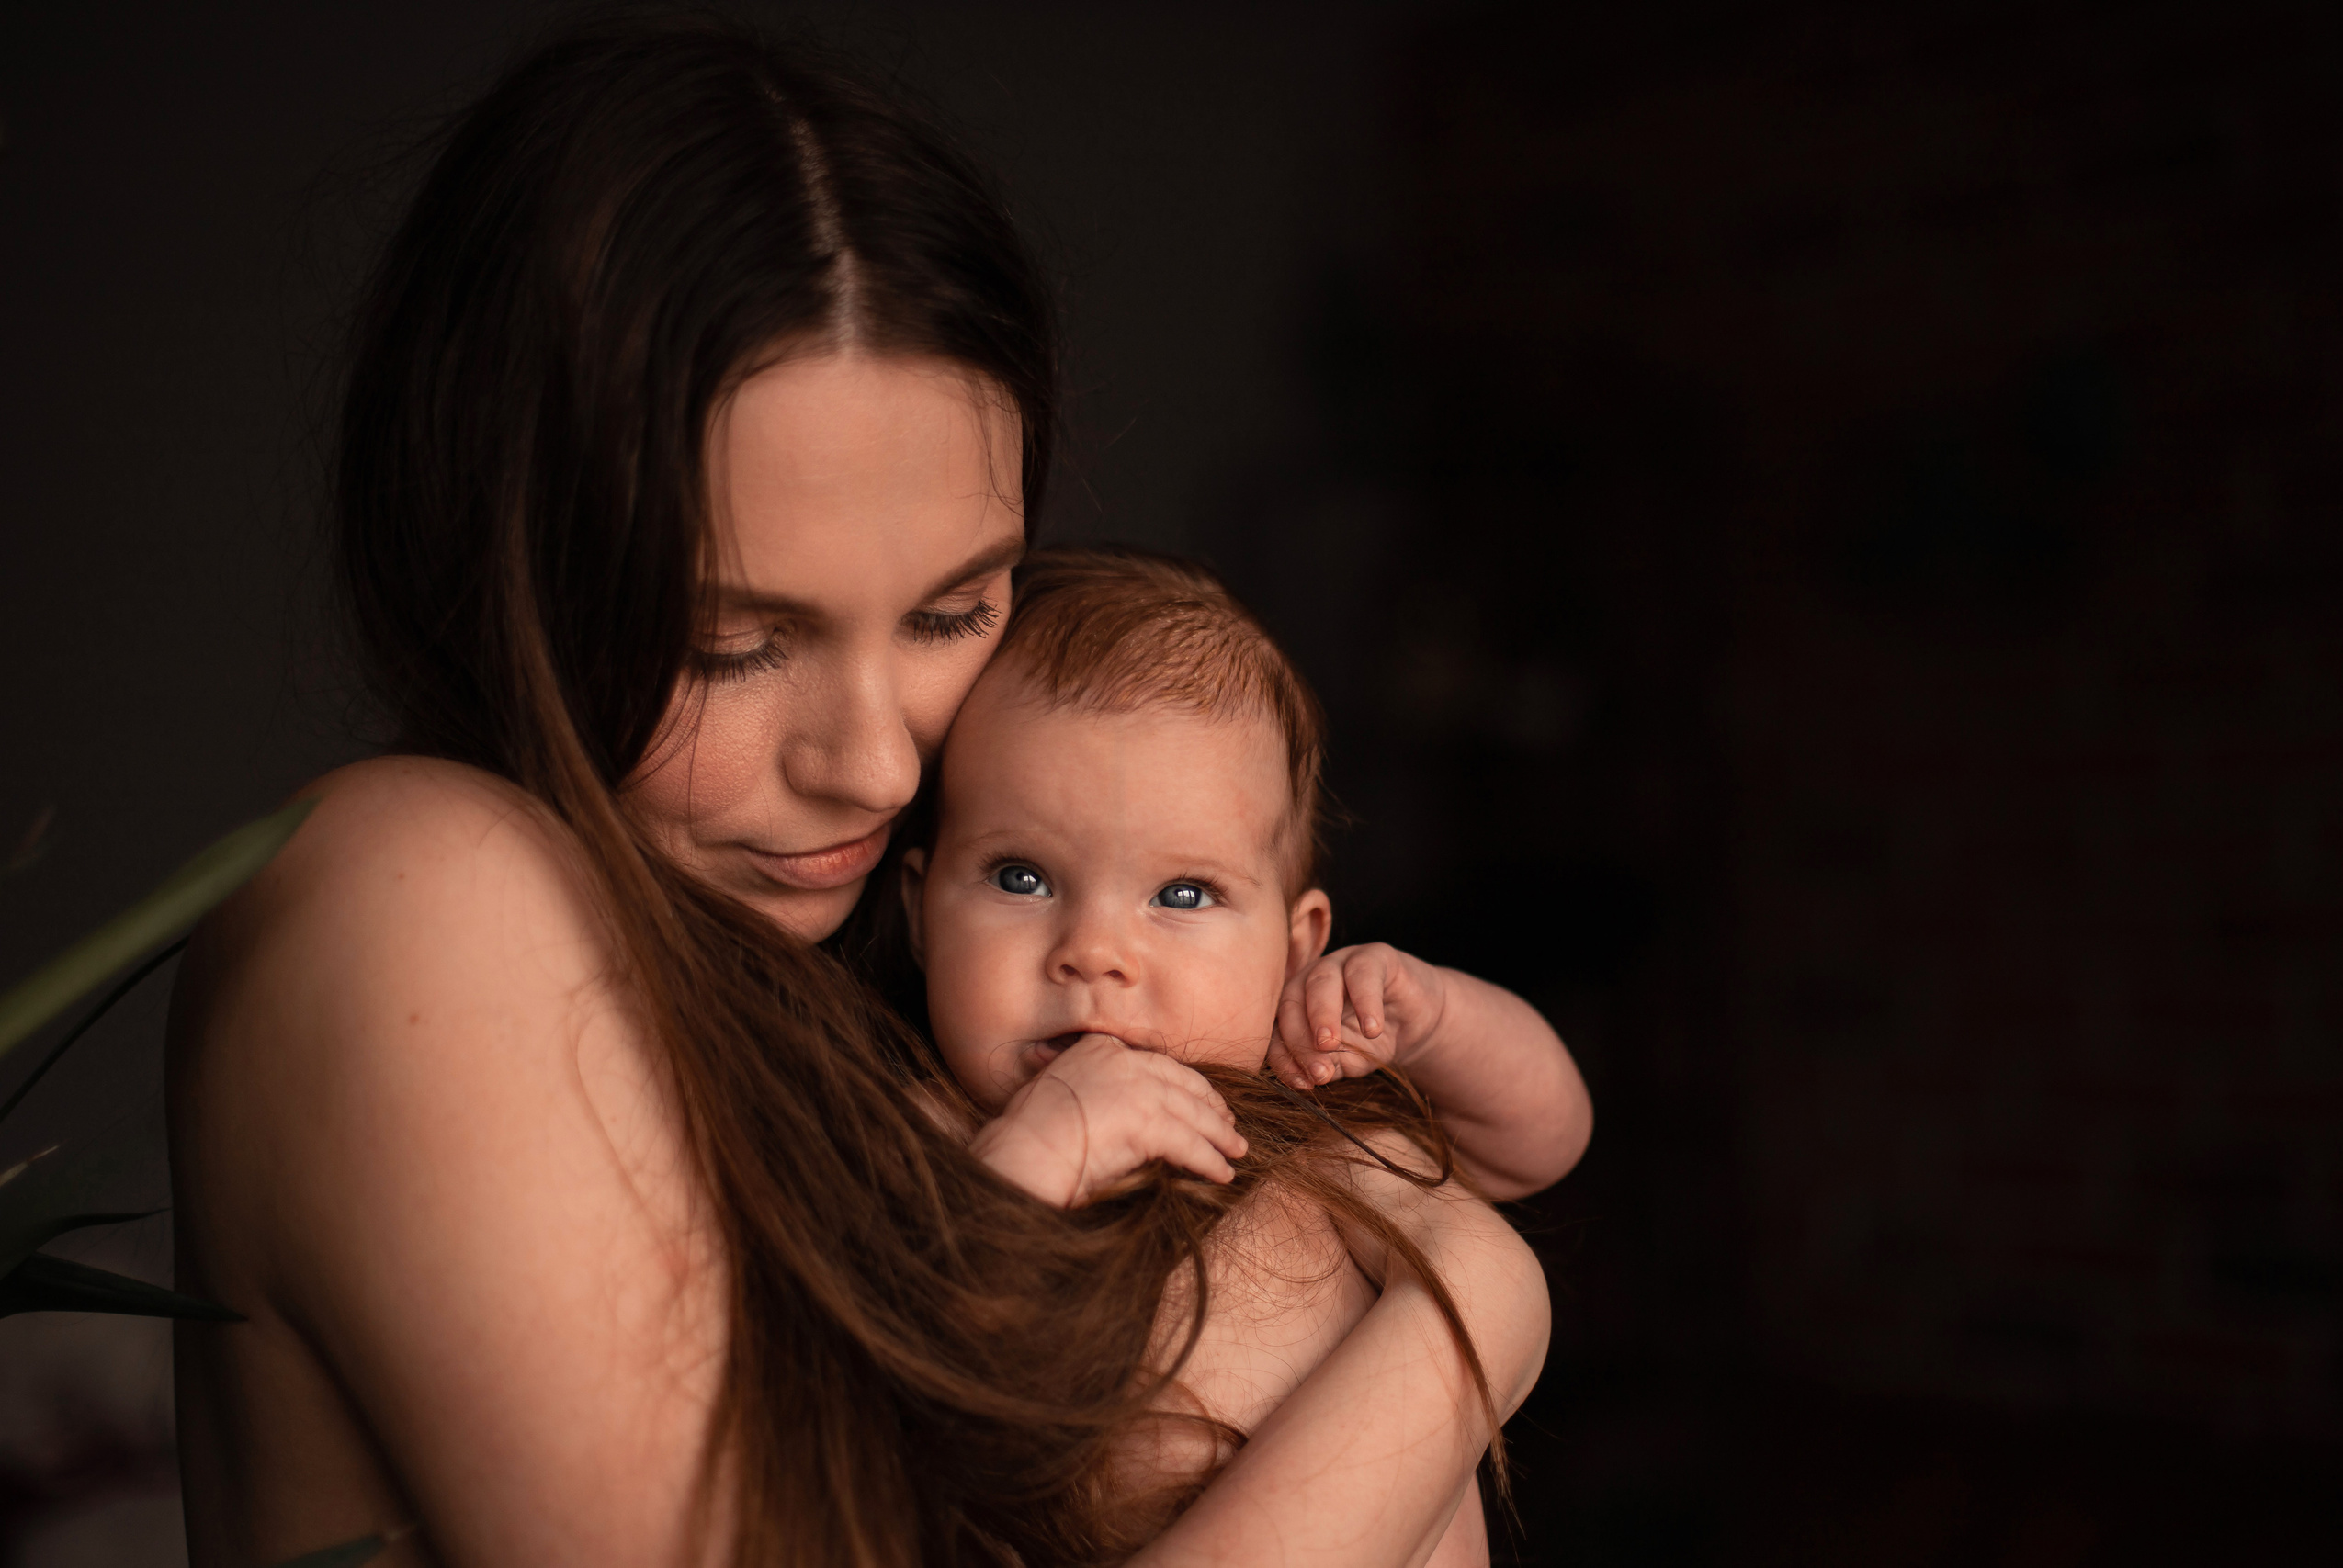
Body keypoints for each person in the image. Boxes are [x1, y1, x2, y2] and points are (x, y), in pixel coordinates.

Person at [165, 15, 1550, 1568]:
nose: (879, 764)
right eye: (732, 644)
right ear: (501, 578)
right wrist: (1475, 1315)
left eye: (958, 610)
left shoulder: (923, 992)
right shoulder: (406, 884)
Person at [887, 547, 1593, 1564]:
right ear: (918, 912)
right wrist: (1035, 1161)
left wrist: (1435, 1019)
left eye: (1181, 896)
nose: (1095, 952)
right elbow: (895, 1388)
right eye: (1021, 876)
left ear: (1295, 947)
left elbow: (1543, 1140)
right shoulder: (938, 1139)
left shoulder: (1303, 1123)